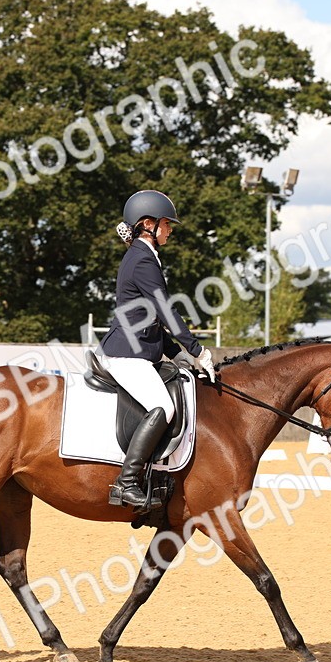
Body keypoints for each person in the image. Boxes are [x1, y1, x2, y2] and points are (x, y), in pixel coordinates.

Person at [99, 189, 216, 511]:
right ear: (148, 224)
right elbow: (165, 310)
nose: (170, 230)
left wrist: (174, 351)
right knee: (162, 407)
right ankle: (127, 482)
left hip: (140, 349)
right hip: (126, 354)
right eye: (167, 224)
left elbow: (148, 317)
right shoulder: (142, 259)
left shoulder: (143, 256)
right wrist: (195, 350)